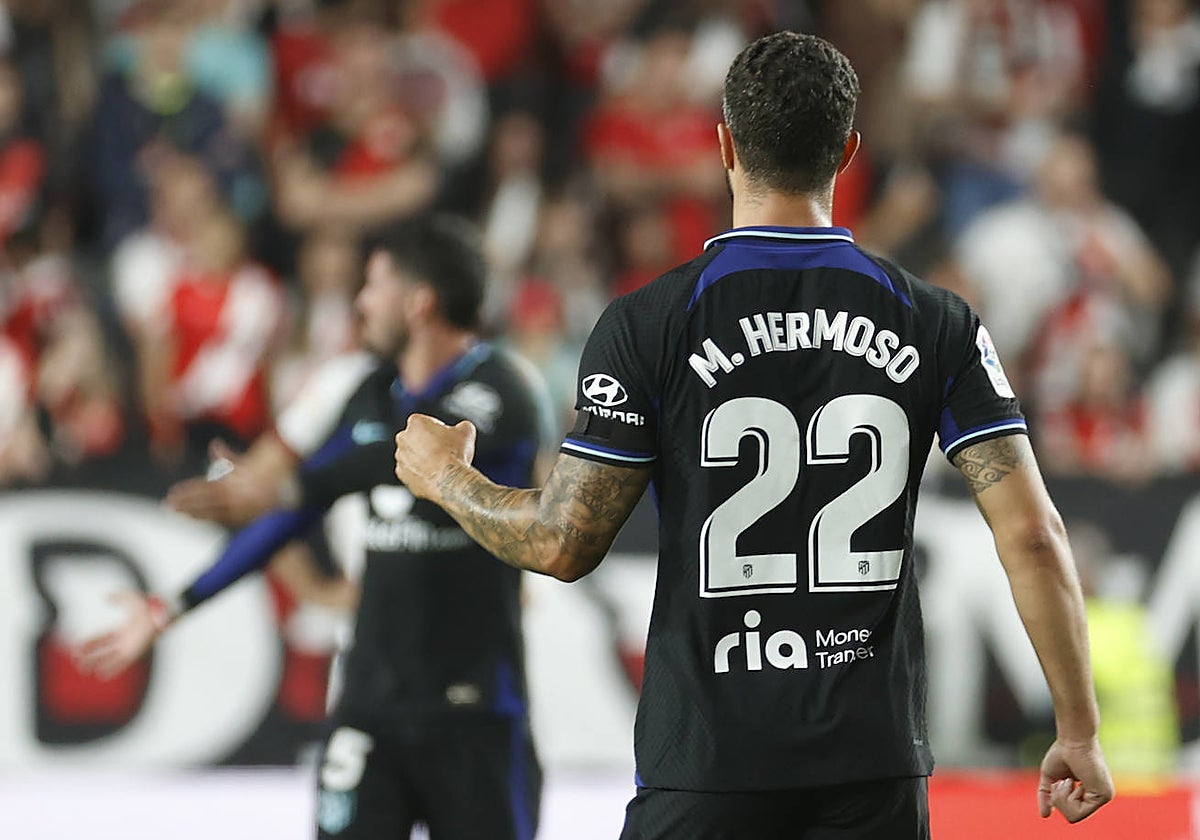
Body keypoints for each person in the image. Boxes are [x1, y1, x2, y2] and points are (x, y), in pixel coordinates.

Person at [392, 32, 1114, 839]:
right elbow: (1035, 536)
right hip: (871, 769)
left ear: (725, 146)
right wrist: (1079, 729)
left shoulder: (650, 323)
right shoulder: (937, 321)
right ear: (847, 152)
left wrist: (447, 477)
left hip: (707, 763)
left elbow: (564, 543)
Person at [79, 215, 546, 840]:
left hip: (475, 708)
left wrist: (291, 484)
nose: (360, 302)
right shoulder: (369, 394)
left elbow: (398, 457)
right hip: (368, 706)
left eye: (374, 284)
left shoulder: (501, 390)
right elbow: (296, 509)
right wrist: (175, 604)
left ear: (419, 300)